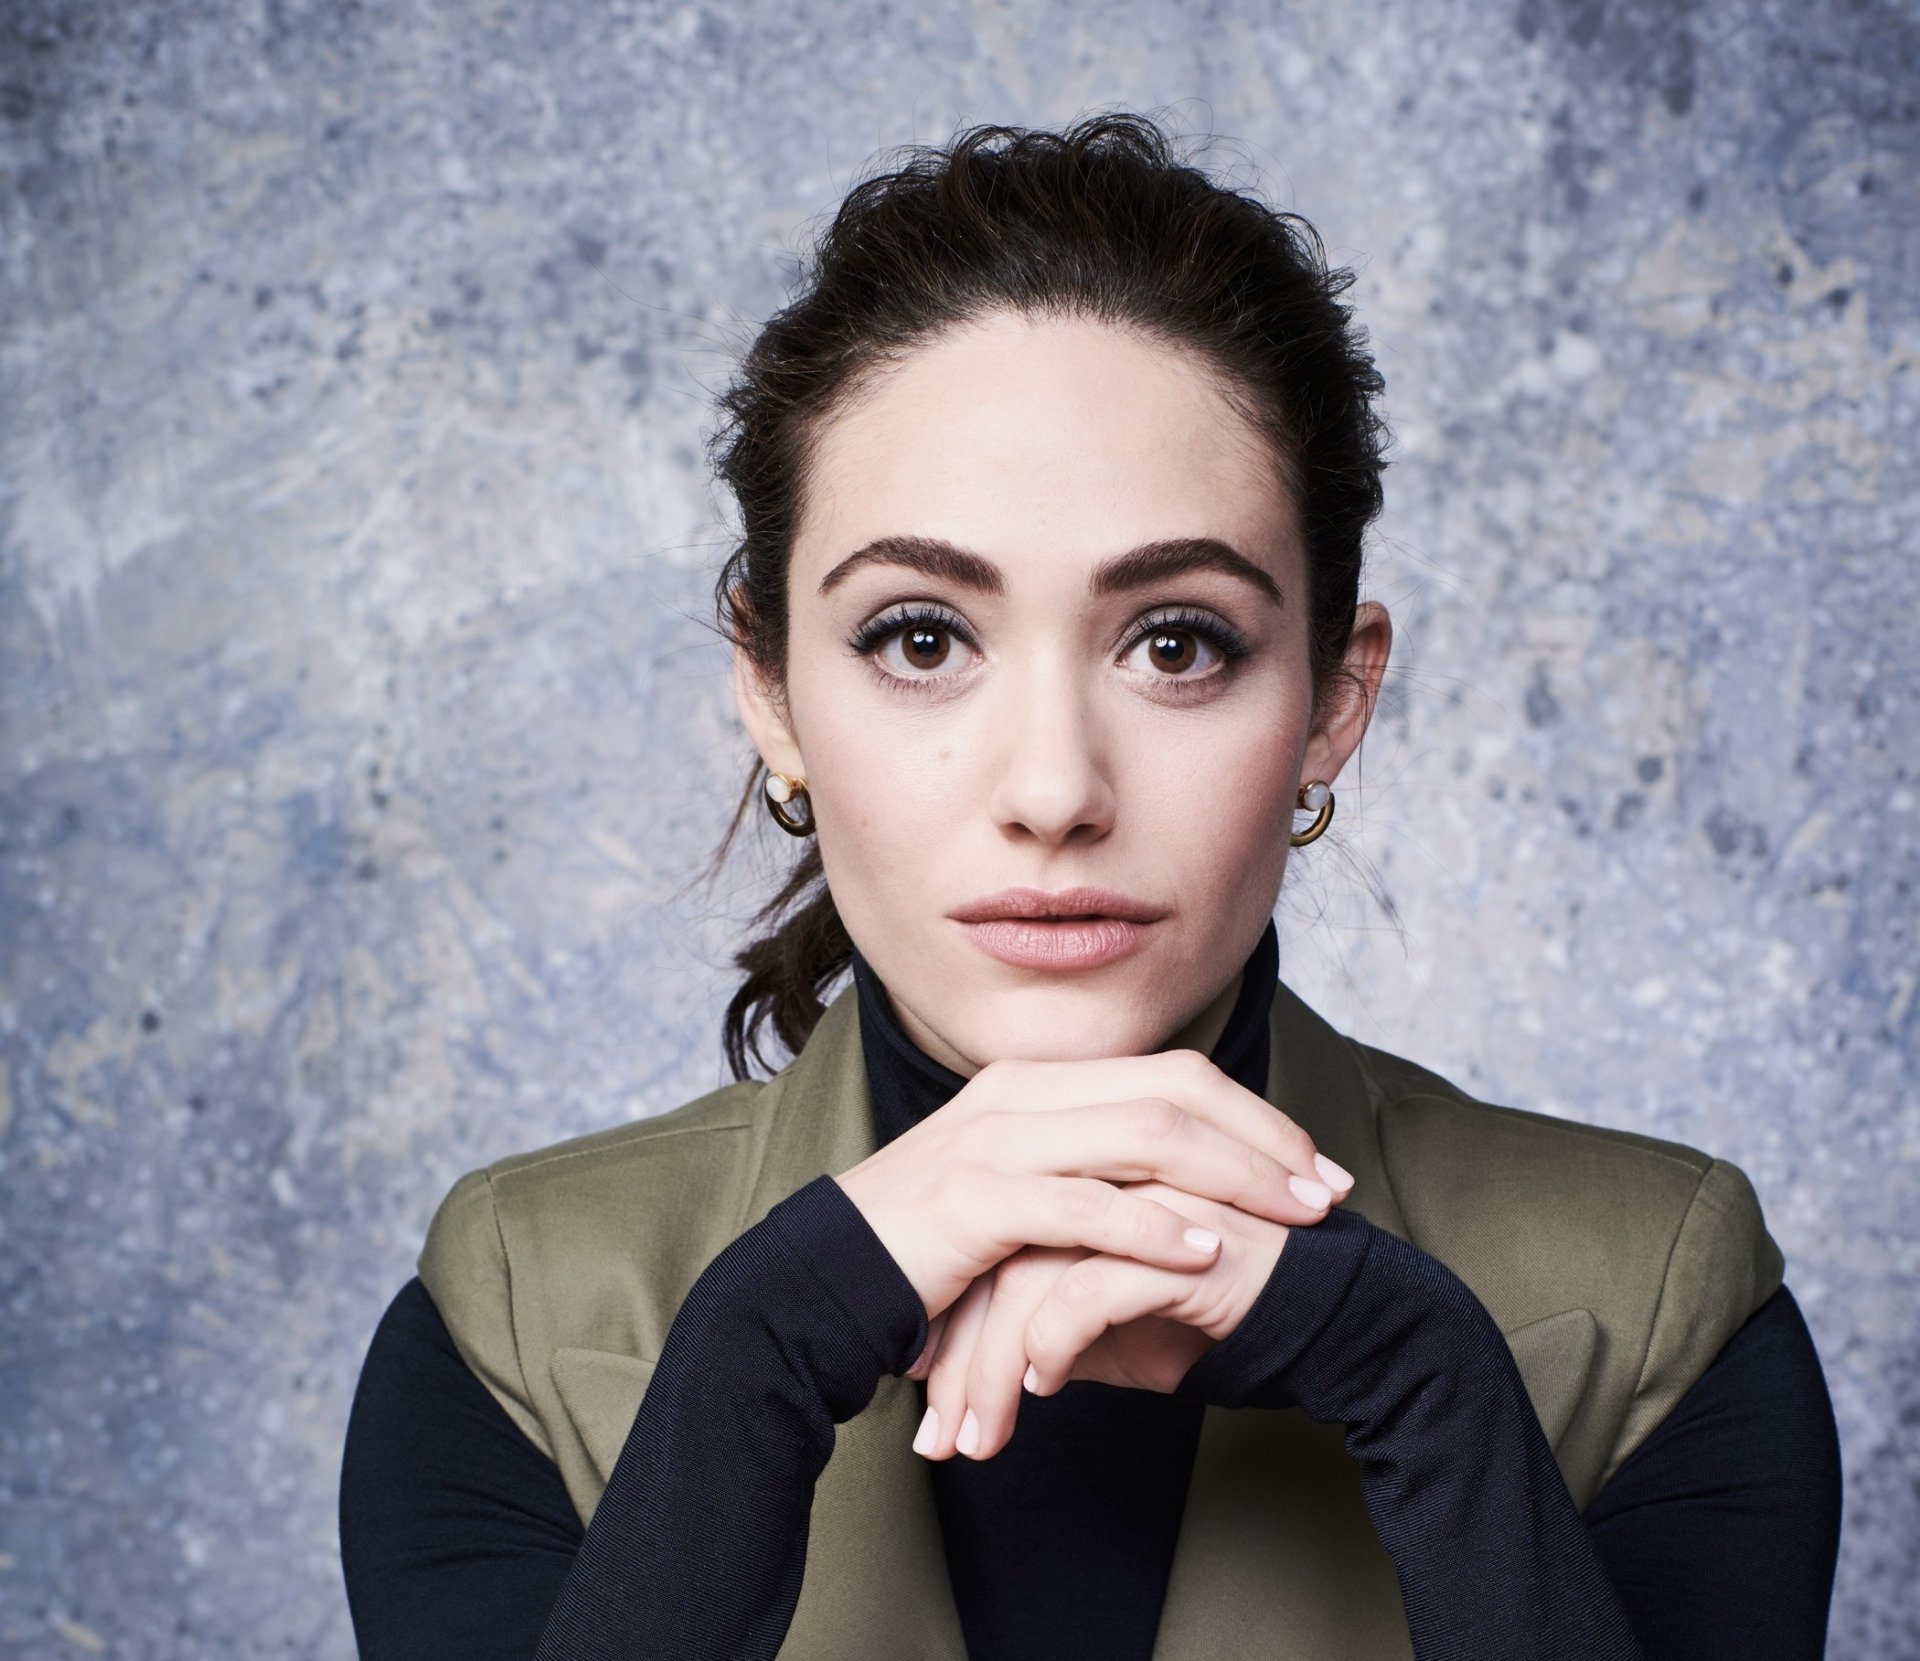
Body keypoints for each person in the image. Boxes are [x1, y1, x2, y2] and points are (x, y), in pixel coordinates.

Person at [337, 113, 1843, 1660]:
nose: (1055, 788)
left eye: (1177, 641)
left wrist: (1425, 1380)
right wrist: (755, 1354)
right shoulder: (522, 1312)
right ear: (773, 687)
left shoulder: (1655, 1302)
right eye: (921, 637)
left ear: (1333, 697)